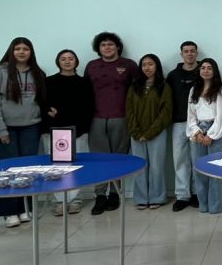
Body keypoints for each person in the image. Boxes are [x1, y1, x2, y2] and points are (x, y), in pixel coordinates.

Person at [0, 37, 47, 228]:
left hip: (31, 127)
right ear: (11, 51)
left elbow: (42, 100)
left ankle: (24, 208)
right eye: (17, 49)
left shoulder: (38, 73)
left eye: (25, 49)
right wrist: (0, 129)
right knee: (8, 171)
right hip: (6, 129)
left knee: (26, 171)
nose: (21, 52)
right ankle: (9, 211)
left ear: (31, 52)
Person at [84, 31, 137, 214]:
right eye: (103, 45)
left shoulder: (129, 65)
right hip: (97, 119)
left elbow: (136, 93)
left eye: (111, 44)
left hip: (121, 118)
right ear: (98, 49)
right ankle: (100, 195)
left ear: (117, 47)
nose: (107, 47)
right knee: (99, 159)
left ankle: (115, 193)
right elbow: (85, 92)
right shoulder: (92, 66)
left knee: (119, 157)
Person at [44, 49, 95, 215]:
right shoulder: (48, 82)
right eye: (63, 59)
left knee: (75, 166)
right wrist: (49, 114)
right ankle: (58, 201)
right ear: (58, 62)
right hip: (54, 130)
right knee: (56, 168)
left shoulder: (84, 82)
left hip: (78, 130)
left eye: (70, 58)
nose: (67, 61)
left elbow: (89, 106)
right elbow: (42, 104)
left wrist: (83, 128)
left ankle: (75, 199)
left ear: (76, 61)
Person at [126, 54, 173, 209]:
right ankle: (140, 198)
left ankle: (157, 197)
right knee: (140, 167)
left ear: (157, 66)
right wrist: (136, 132)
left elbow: (166, 112)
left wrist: (150, 132)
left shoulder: (164, 86)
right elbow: (129, 110)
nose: (147, 67)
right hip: (136, 134)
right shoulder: (134, 87)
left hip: (157, 133)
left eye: (150, 64)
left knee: (157, 167)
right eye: (144, 64)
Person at [187, 58, 222, 214]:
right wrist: (196, 132)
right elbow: (191, 115)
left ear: (214, 71)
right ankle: (203, 204)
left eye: (209, 68)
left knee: (216, 170)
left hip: (216, 131)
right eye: (202, 68)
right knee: (200, 171)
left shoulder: (221, 89)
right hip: (198, 131)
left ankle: (217, 206)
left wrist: (211, 135)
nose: (205, 70)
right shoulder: (194, 89)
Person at [167, 41, 200, 212]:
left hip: (199, 123)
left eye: (192, 51)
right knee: (180, 159)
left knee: (197, 159)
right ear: (181, 54)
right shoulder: (173, 75)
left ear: (197, 53)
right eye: (186, 51)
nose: (189, 54)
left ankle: (196, 193)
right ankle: (182, 195)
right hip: (179, 122)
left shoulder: (204, 71)